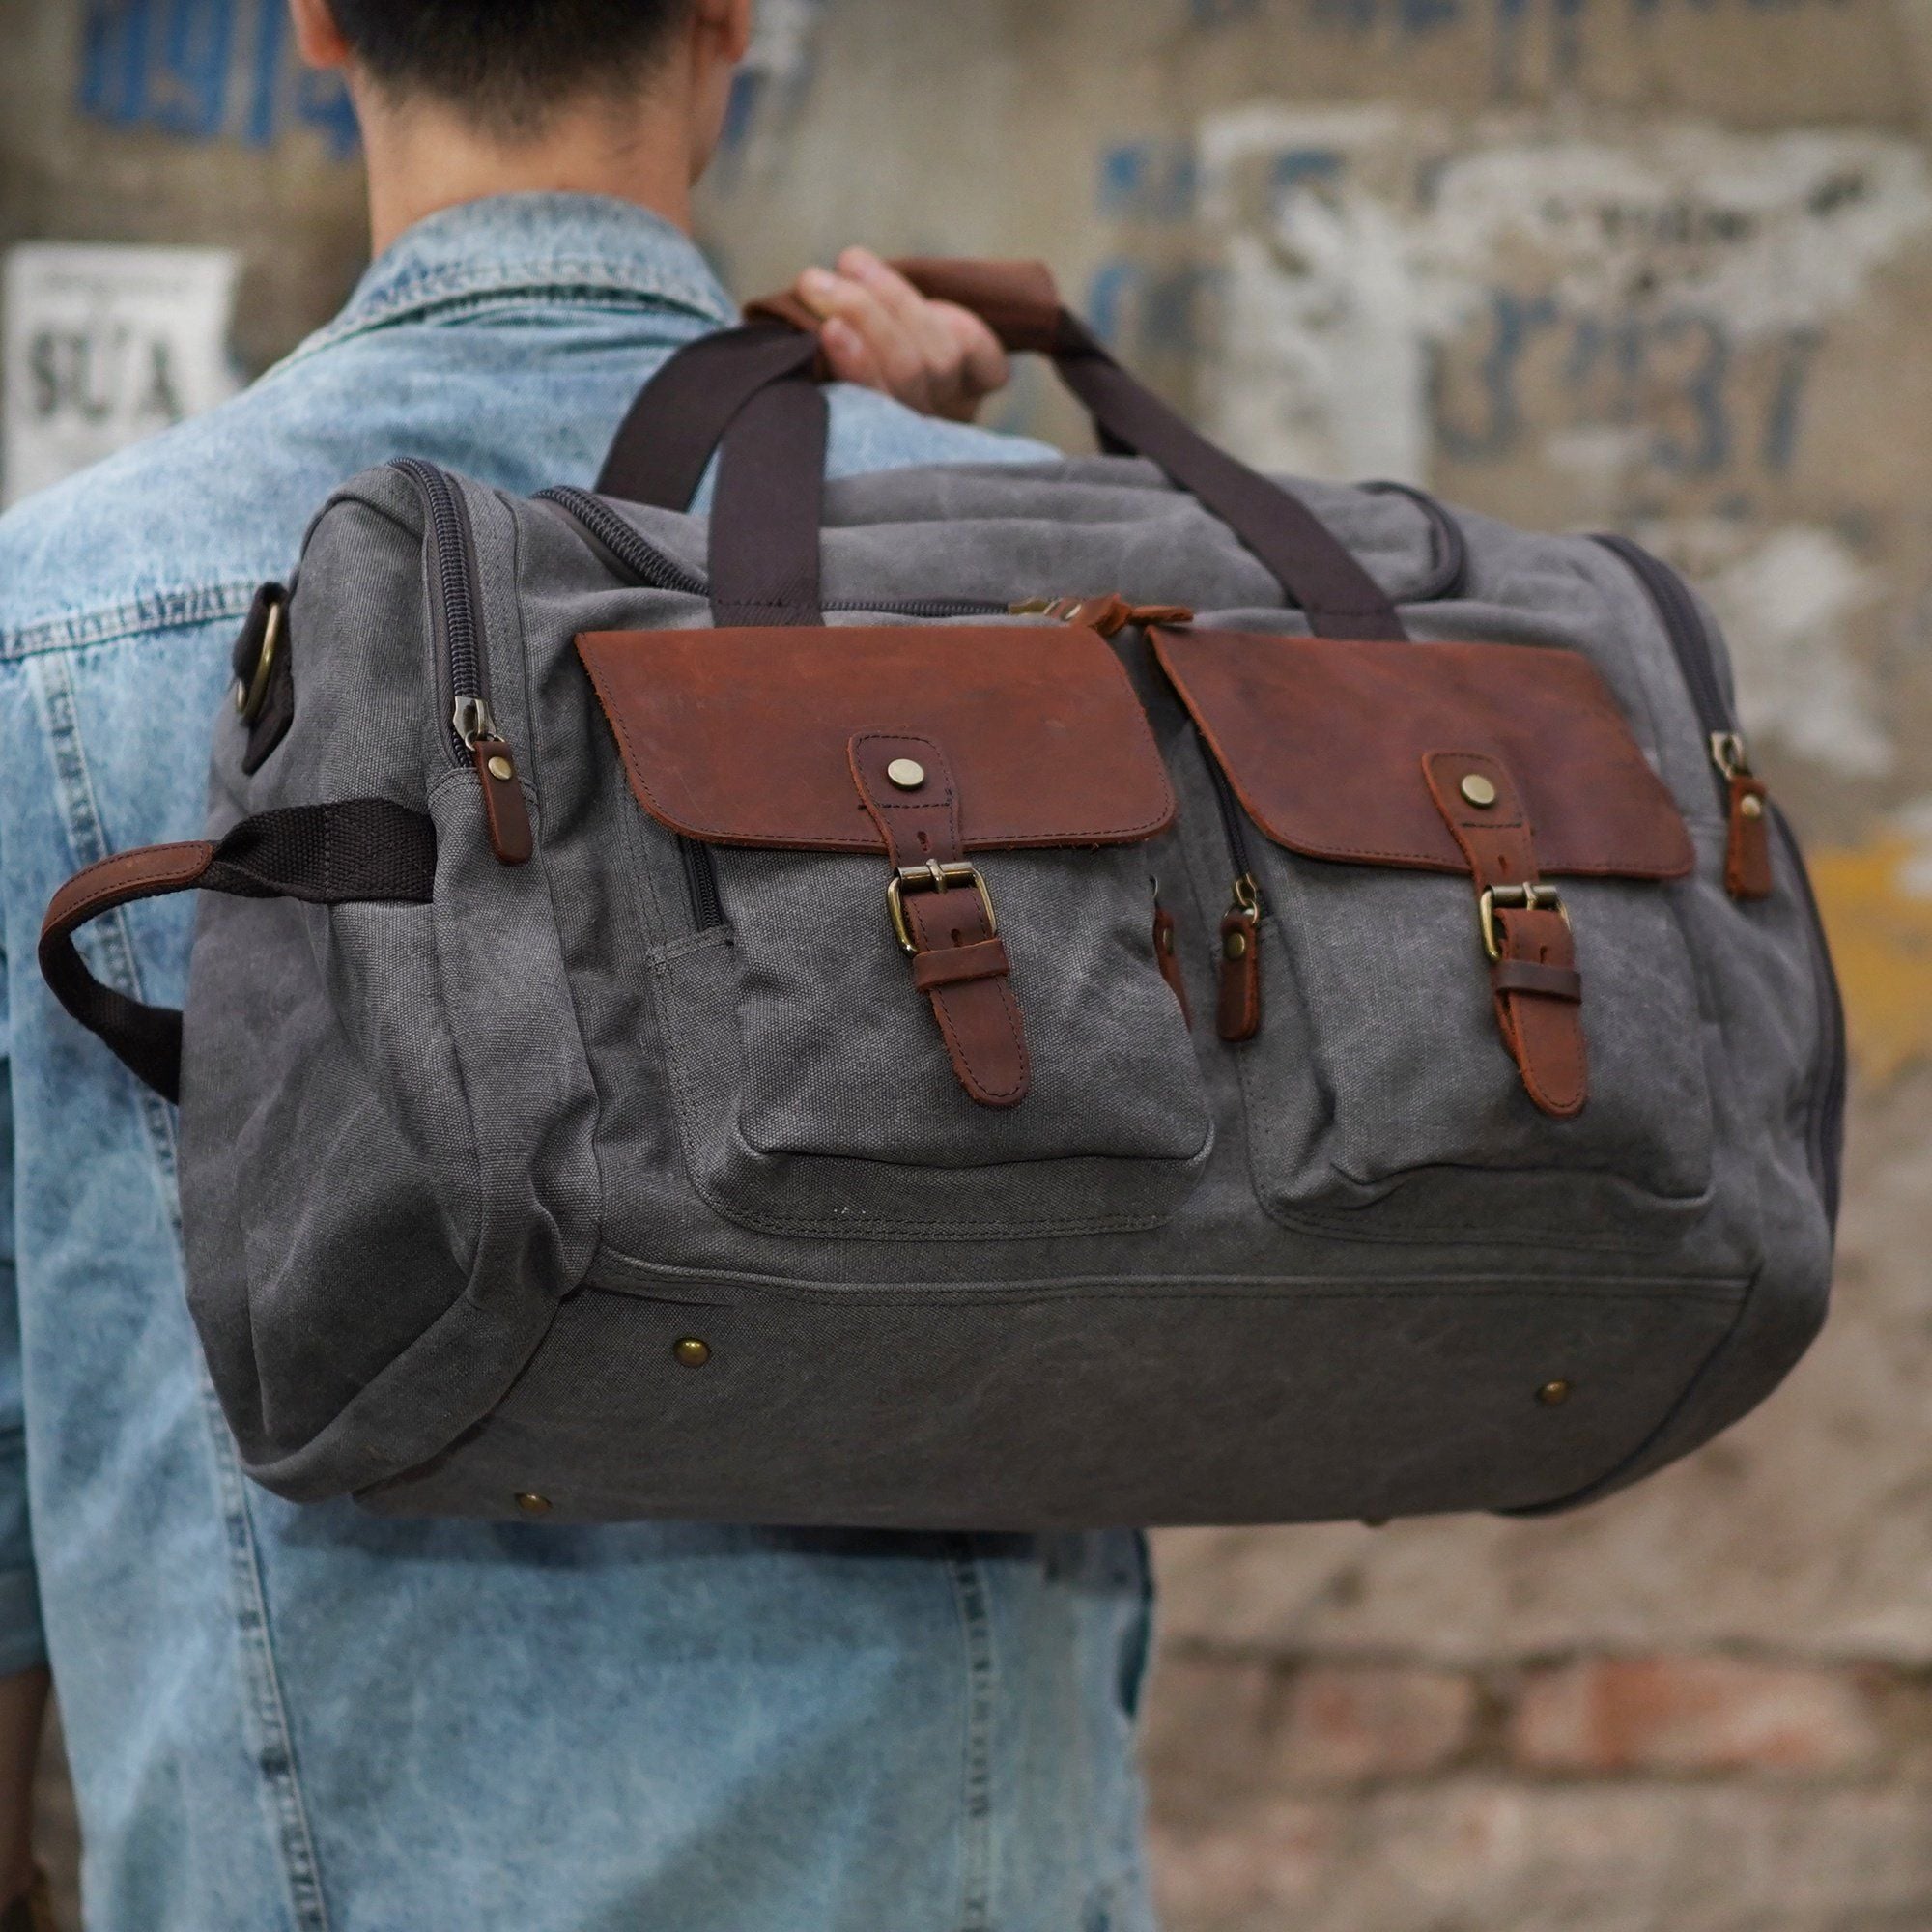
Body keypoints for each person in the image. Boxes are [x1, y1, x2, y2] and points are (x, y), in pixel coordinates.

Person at [0, 4, 1158, 1927]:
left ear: (316, 22)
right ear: (731, 19)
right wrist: (952, 504)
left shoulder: (45, 617)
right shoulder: (1010, 565)